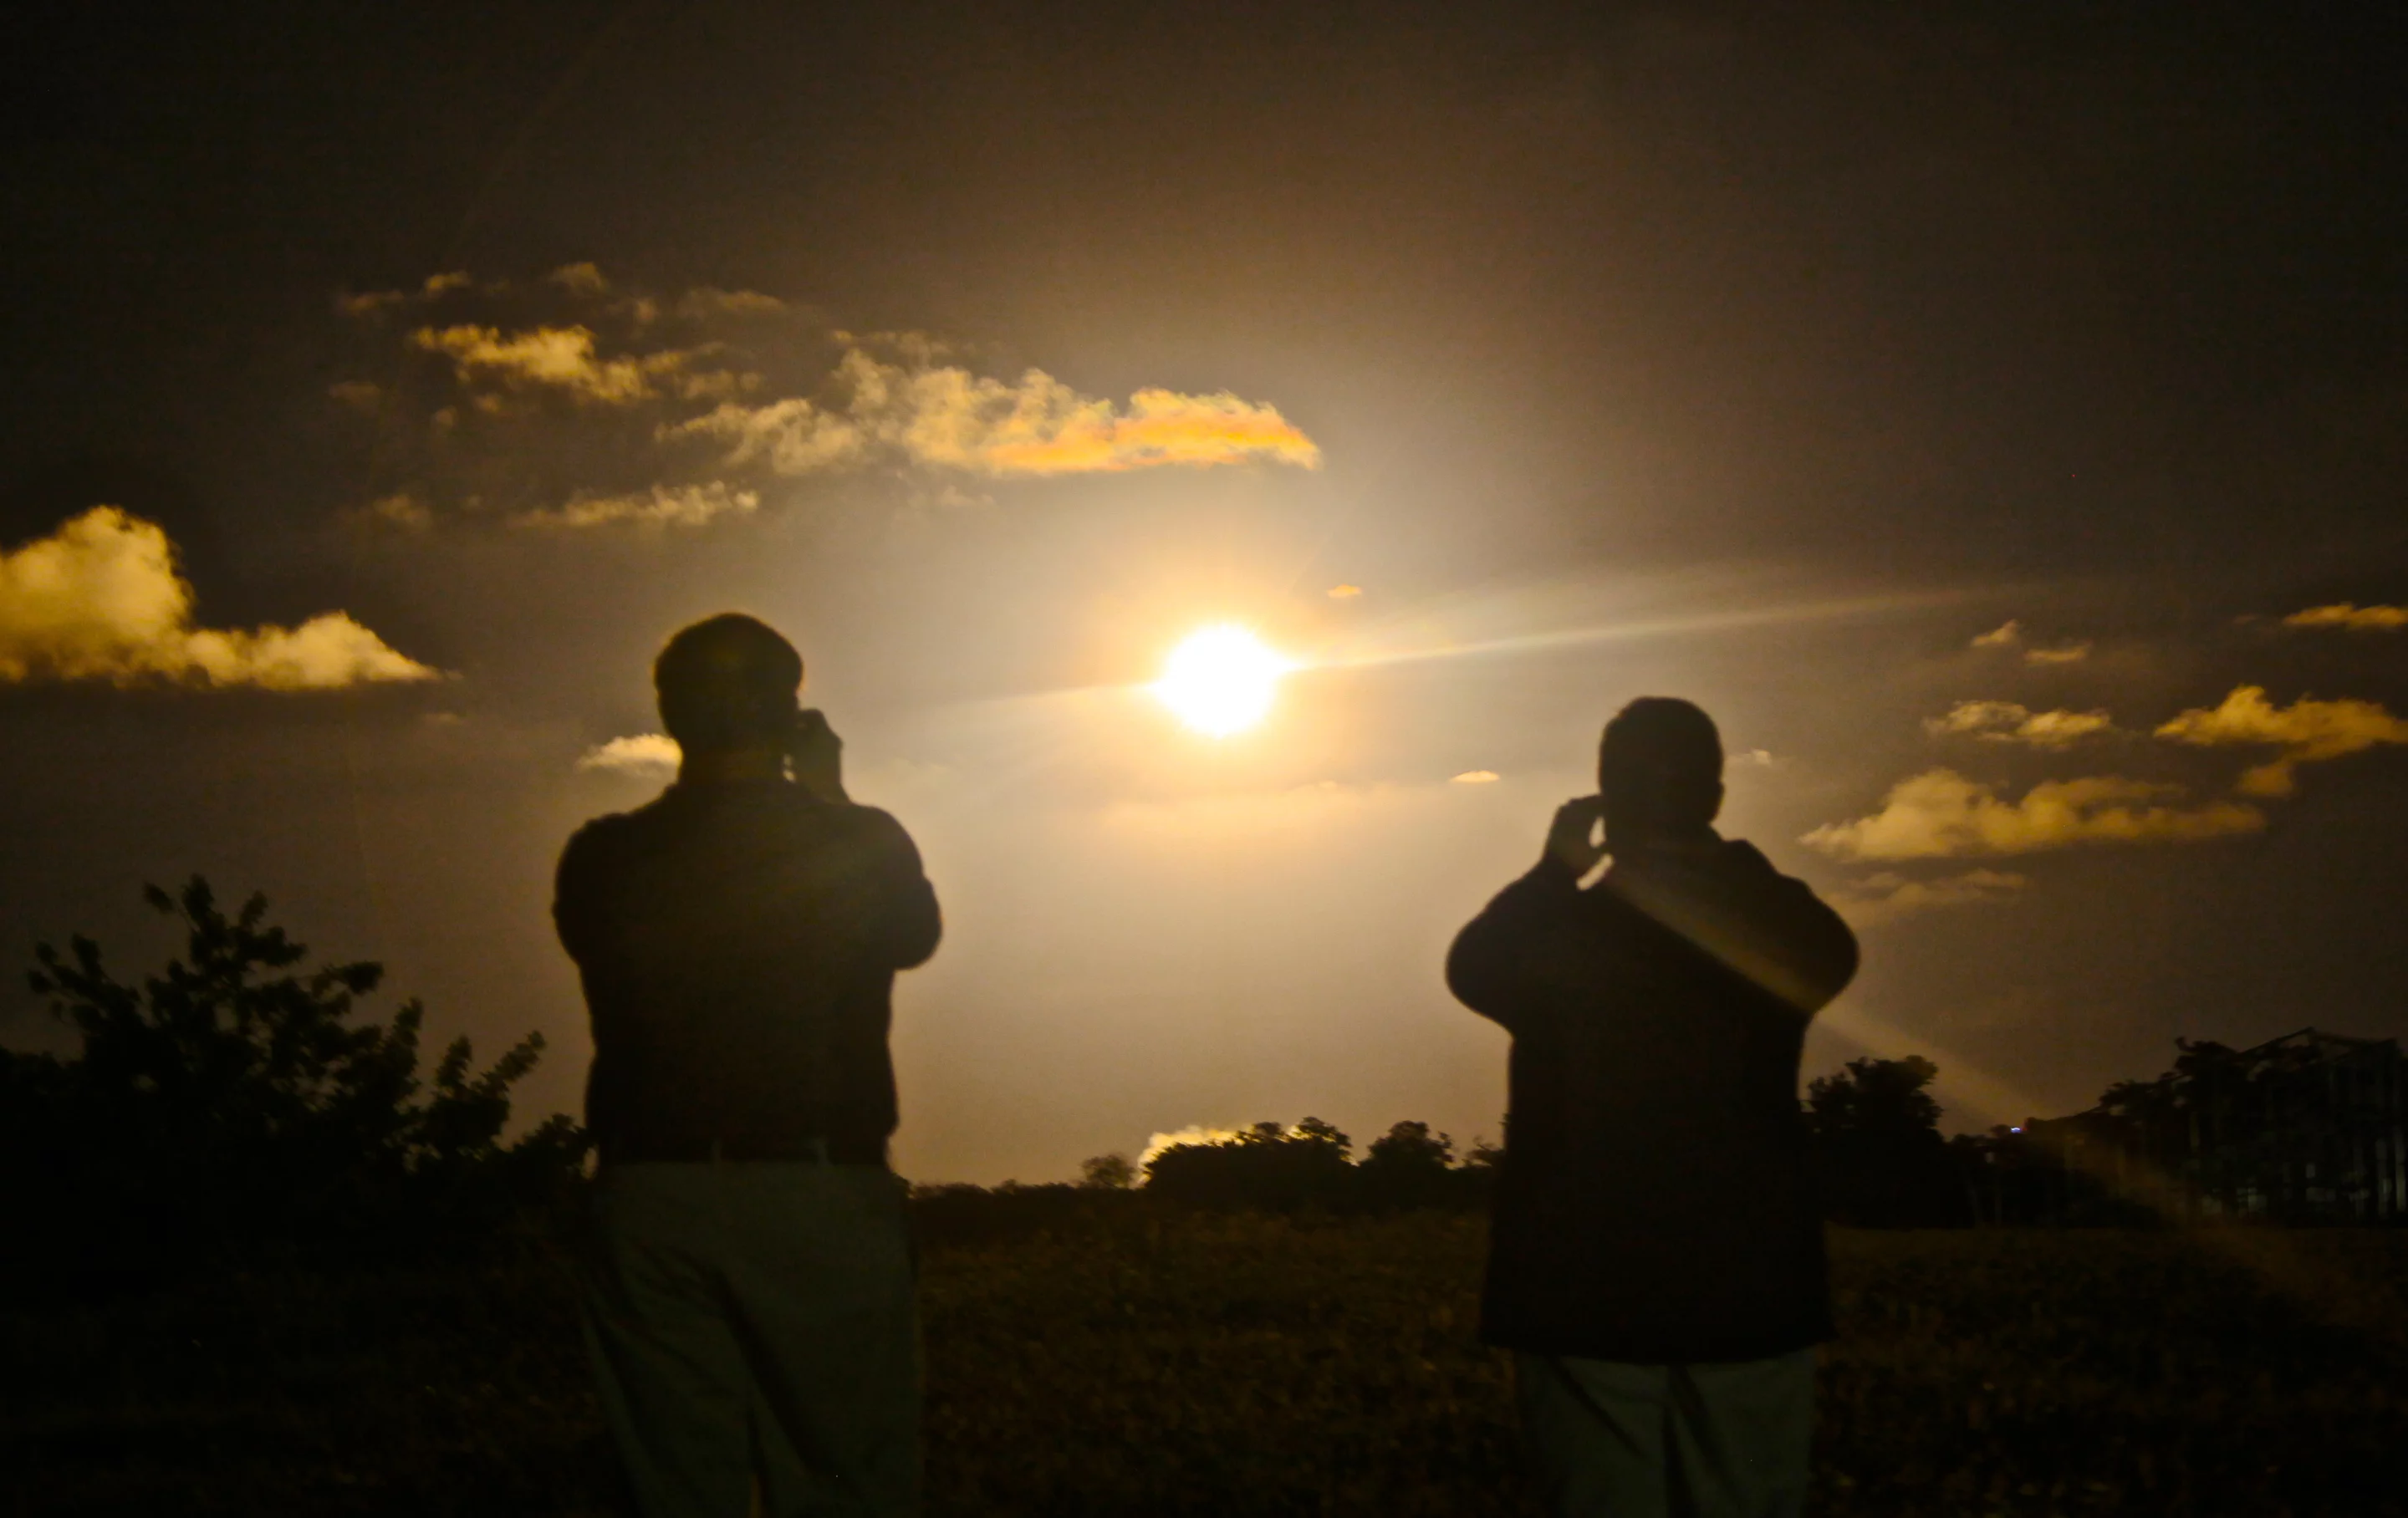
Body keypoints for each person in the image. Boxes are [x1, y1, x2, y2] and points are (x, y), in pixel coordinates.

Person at [554, 613, 941, 1517]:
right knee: (845, 1472)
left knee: (675, 1484)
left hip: (649, 1190)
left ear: (670, 713)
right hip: (815, 1189)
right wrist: (828, 794)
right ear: (789, 713)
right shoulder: (857, 839)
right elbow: (912, 937)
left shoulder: (603, 855)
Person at [1446, 697, 1858, 1518]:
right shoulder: (1775, 927)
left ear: (1604, 799)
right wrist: (1721, 857)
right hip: (1750, 1285)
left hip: (1581, 1284)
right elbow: (1832, 945)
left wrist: (1553, 872)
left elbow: (1474, 966)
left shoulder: (1561, 932)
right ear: (1715, 795)